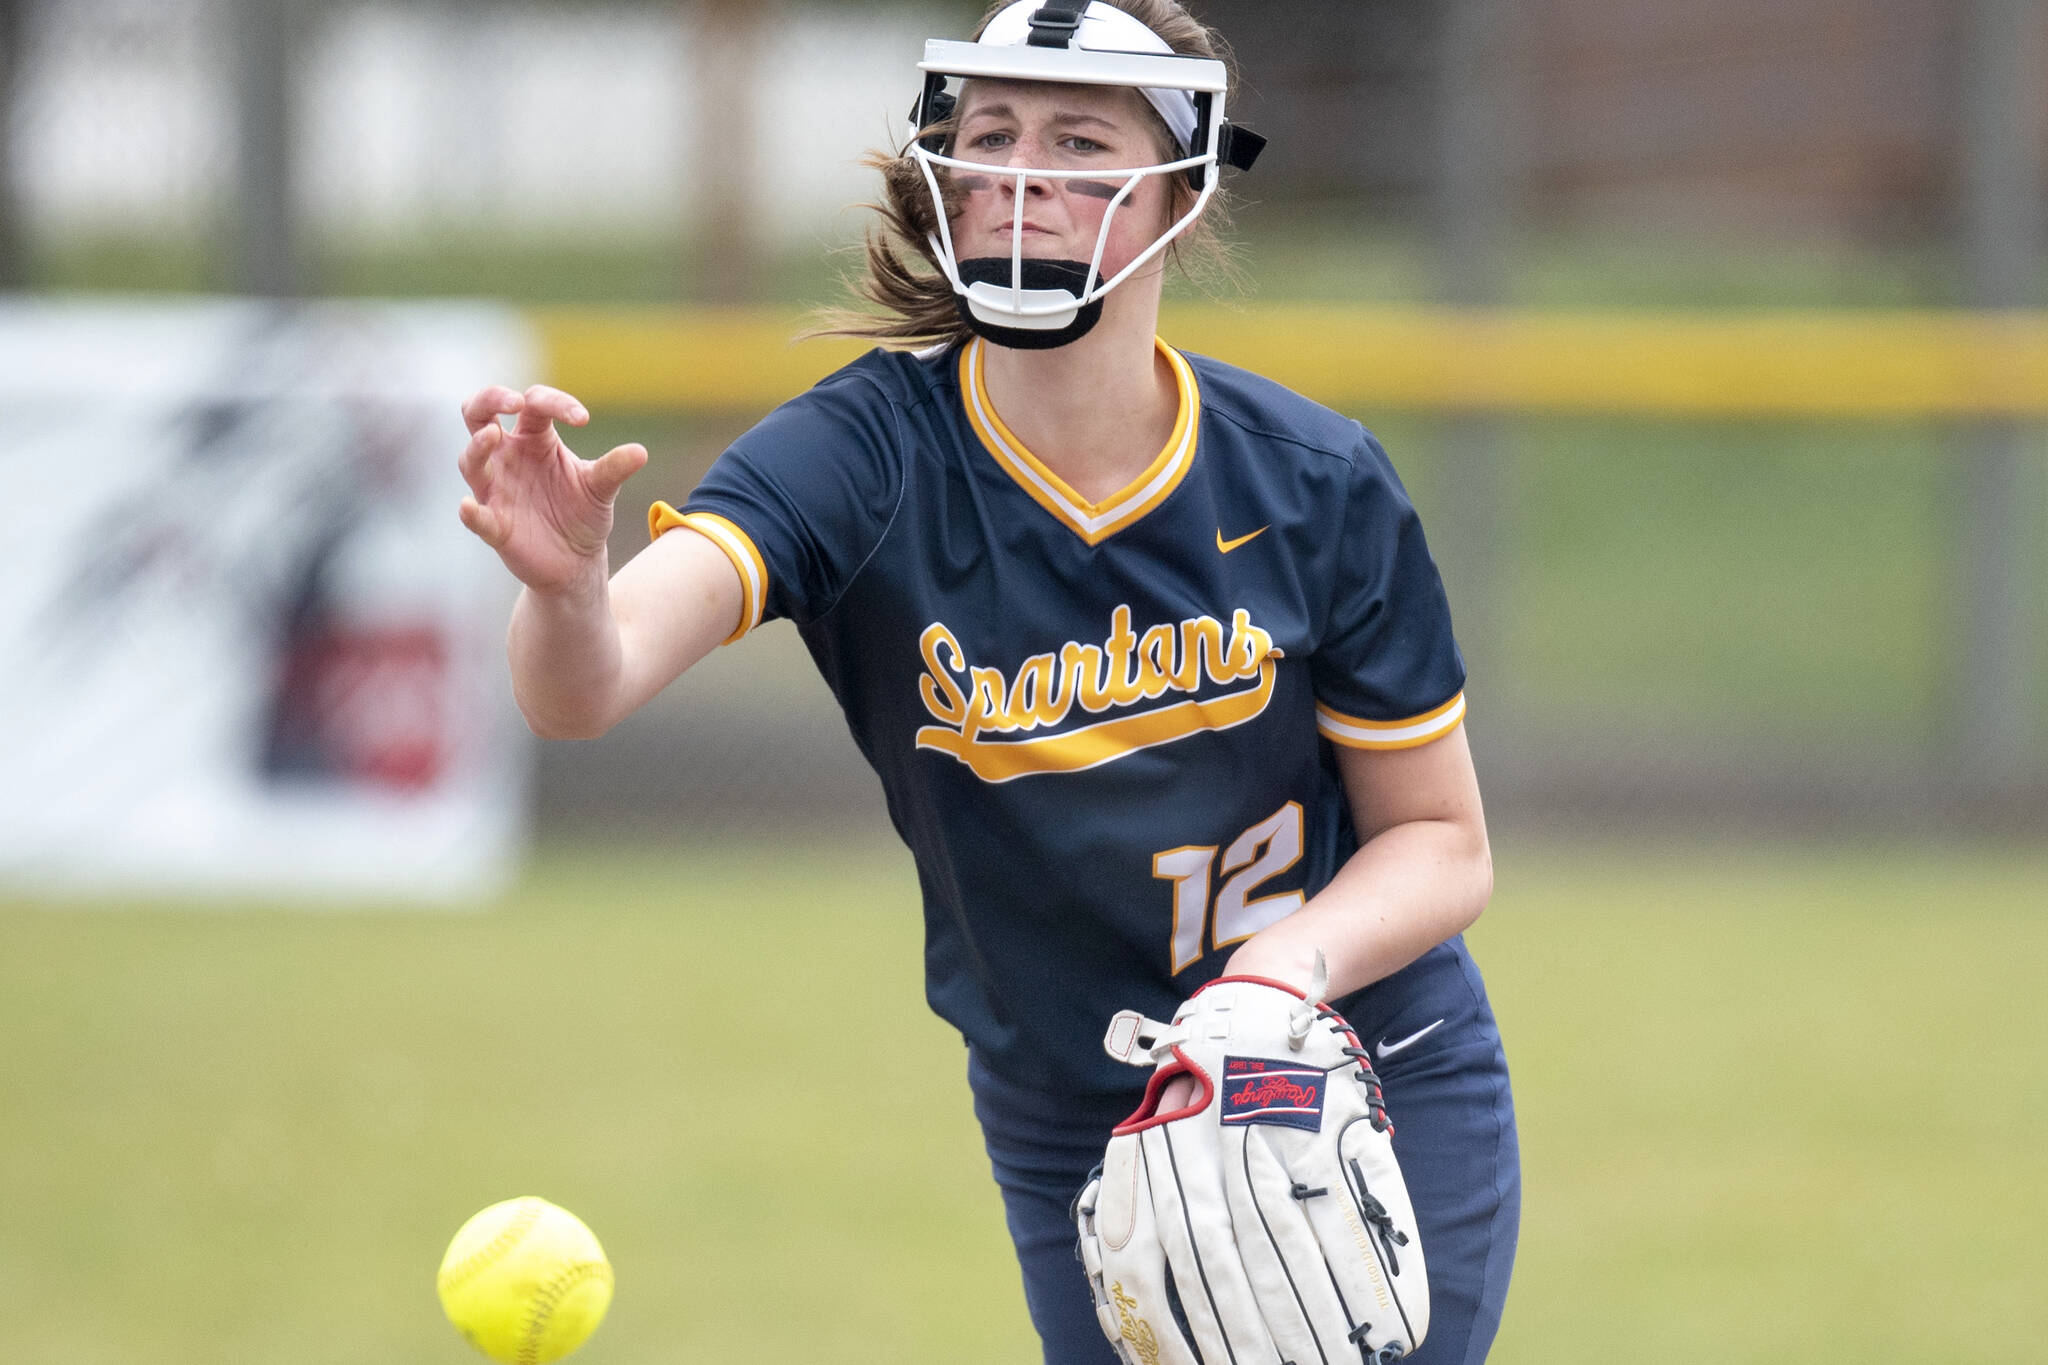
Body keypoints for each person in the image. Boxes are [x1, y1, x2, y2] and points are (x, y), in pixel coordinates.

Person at [455, 3, 1518, 1362]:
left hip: (1356, 1055)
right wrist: (562, 594)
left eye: (1079, 140)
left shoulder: (1310, 480)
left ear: (1181, 187)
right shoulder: (864, 453)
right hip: (1081, 1100)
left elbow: (1441, 840)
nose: (1020, 170)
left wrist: (1272, 982)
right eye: (992, 134)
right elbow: (582, 691)